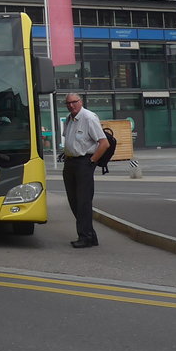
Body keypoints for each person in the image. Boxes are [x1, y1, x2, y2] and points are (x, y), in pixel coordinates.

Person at [61, 94, 109, 248]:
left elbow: (104, 143)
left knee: (83, 202)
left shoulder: (89, 118)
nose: (71, 105)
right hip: (70, 163)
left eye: (74, 102)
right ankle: (89, 235)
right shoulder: (69, 118)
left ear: (80, 102)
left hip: (83, 163)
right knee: (74, 201)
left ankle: (86, 236)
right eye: (68, 103)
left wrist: (91, 161)